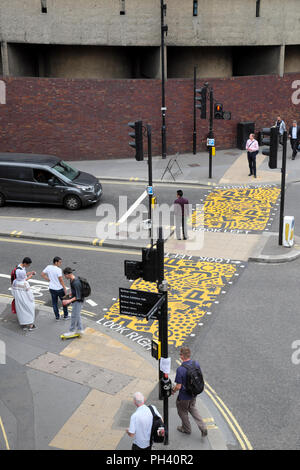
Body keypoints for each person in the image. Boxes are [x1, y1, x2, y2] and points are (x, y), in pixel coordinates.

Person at [172, 346, 207, 438]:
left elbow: (178, 386)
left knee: (182, 411)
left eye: (180, 354)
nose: (179, 356)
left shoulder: (181, 369)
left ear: (182, 356)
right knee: (192, 408)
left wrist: (173, 391)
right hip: (194, 393)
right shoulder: (196, 364)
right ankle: (203, 427)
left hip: (184, 397)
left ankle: (186, 429)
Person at [11, 257, 36, 331]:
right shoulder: (25, 283)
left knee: (21, 311)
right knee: (30, 310)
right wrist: (32, 300)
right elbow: (30, 295)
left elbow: (13, 291)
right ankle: (31, 325)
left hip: (19, 300)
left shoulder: (15, 282)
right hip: (26, 300)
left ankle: (24, 325)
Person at [41, 256, 69, 321]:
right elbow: (61, 280)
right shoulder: (58, 270)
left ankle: (57, 317)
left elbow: (42, 274)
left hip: (52, 288)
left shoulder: (48, 267)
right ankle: (65, 316)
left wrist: (49, 279)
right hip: (59, 289)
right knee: (64, 302)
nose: (60, 263)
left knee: (54, 303)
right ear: (56, 262)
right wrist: (64, 287)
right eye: (60, 262)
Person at [61, 267, 84, 337]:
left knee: (74, 316)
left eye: (65, 275)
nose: (64, 277)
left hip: (78, 301)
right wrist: (70, 294)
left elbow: (78, 296)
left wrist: (68, 301)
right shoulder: (71, 280)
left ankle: (72, 331)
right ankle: (80, 329)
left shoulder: (76, 282)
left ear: (68, 274)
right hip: (75, 300)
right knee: (77, 315)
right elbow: (74, 291)